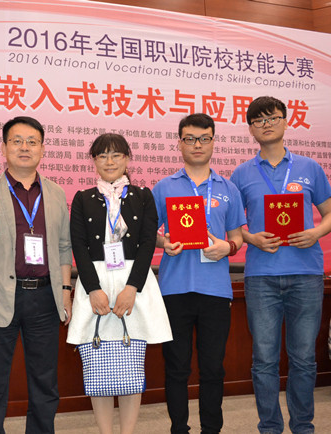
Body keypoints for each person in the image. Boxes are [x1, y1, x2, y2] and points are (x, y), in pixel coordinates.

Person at [0, 116, 72, 434]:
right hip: (0, 296)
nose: (25, 147)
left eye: (32, 142)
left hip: (45, 298)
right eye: (17, 141)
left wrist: (66, 291)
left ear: (42, 149)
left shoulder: (55, 193)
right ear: (4, 148)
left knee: (45, 382)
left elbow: (64, 247)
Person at [230, 96, 331, 434]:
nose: (267, 124)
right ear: (251, 129)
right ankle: (270, 428)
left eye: (273, 117)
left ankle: (303, 427)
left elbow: (329, 213)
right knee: (264, 360)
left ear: (286, 122)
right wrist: (251, 238)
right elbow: (232, 226)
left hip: (306, 275)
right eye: (259, 120)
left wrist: (315, 232)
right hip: (261, 277)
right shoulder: (241, 173)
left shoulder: (309, 168)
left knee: (304, 359)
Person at [66, 133, 172, 434]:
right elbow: (79, 246)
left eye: (116, 155)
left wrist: (132, 288)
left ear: (127, 159)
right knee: (98, 367)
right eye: (102, 155)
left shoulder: (143, 196)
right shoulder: (83, 198)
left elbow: (148, 243)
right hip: (95, 283)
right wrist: (93, 289)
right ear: (94, 161)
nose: (109, 161)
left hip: (133, 284)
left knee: (131, 367)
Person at [152, 113, 246, 434]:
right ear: (179, 143)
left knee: (213, 369)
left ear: (213, 142)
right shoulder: (164, 187)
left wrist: (227, 247)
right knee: (177, 368)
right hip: (174, 289)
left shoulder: (228, 189)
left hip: (216, 291)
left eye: (204, 138)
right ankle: (179, 428)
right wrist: (165, 242)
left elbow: (237, 236)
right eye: (190, 139)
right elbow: (148, 233)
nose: (197, 145)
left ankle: (211, 429)